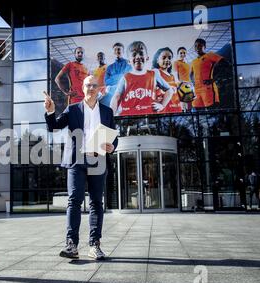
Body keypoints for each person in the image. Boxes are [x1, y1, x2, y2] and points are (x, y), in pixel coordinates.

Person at [44, 75, 118, 260]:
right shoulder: (73, 109)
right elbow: (54, 126)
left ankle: (95, 245)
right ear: (83, 88)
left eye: (94, 85)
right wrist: (51, 111)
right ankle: (72, 245)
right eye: (87, 85)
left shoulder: (107, 112)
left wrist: (113, 146)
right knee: (74, 201)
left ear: (99, 88)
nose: (91, 88)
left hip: (98, 160)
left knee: (96, 203)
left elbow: (113, 137)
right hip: (76, 161)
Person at [110, 41, 173, 116]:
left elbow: (169, 90)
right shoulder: (125, 78)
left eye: (141, 53)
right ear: (129, 61)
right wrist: (111, 116)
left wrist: (162, 105)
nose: (138, 57)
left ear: (147, 58)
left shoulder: (153, 75)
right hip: (129, 120)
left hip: (149, 119)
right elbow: (116, 97)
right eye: (134, 54)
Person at [190, 38, 224, 109]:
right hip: (197, 91)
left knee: (211, 111)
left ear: (204, 47)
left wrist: (213, 79)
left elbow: (226, 64)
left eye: (200, 45)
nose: (197, 48)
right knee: (198, 112)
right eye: (196, 46)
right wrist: (193, 83)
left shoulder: (210, 55)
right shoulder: (194, 61)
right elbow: (191, 74)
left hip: (208, 89)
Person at [152, 47, 183, 114]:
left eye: (169, 58)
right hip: (163, 112)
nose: (167, 60)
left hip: (176, 111)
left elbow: (176, 95)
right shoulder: (155, 72)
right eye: (164, 57)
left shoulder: (172, 76)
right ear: (157, 60)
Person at [101, 42, 132, 107]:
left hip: (125, 96)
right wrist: (121, 77)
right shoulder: (110, 67)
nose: (117, 51)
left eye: (119, 49)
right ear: (113, 52)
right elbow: (106, 82)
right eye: (115, 50)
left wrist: (113, 78)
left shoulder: (129, 64)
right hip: (111, 98)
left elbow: (127, 79)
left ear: (123, 51)